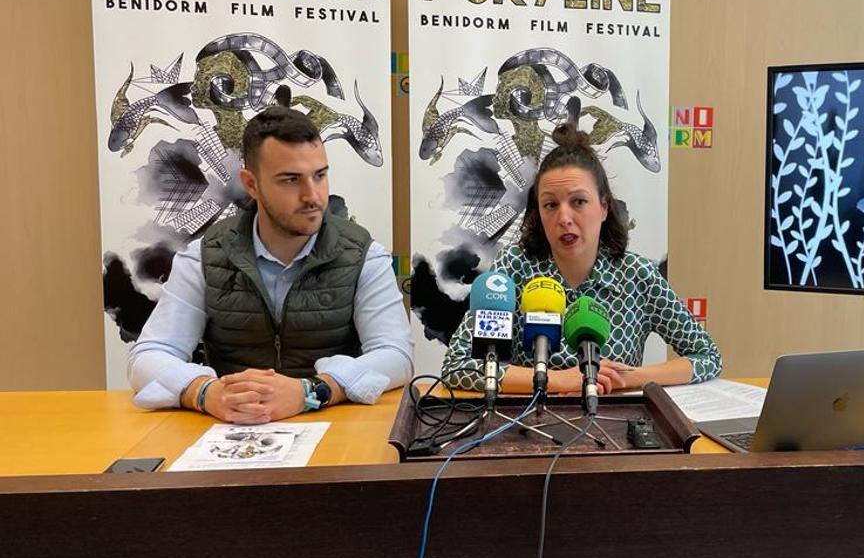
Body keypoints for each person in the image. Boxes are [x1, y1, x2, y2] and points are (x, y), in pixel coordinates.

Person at [127, 104, 414, 423]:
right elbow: (148, 357)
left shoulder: (362, 255)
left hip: (334, 430)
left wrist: (313, 391)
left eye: (319, 175)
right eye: (291, 180)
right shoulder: (205, 256)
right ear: (251, 184)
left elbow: (395, 356)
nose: (313, 196)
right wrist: (206, 393)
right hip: (232, 434)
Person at [442, 123, 721, 393]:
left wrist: (633, 377)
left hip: (615, 429)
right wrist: (555, 380)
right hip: (533, 426)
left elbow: (707, 357)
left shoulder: (638, 275)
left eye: (578, 202)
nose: (564, 218)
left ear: (603, 207)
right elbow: (457, 367)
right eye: (550, 205)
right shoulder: (514, 268)